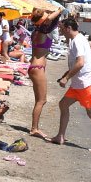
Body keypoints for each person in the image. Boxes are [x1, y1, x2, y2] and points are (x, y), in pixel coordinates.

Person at [50, 19, 91, 152]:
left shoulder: (77, 40)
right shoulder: (75, 40)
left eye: (62, 28)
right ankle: (60, 136)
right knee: (63, 104)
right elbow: (75, 64)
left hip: (86, 83)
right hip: (78, 83)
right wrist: (65, 76)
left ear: (68, 28)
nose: (60, 31)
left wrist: (66, 78)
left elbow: (80, 63)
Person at [26, 8, 62, 139]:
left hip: (35, 67)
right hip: (38, 67)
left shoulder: (36, 32)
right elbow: (50, 20)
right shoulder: (41, 31)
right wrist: (59, 10)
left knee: (39, 100)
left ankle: (34, 127)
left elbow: (51, 21)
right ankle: (34, 128)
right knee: (42, 100)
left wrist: (55, 13)